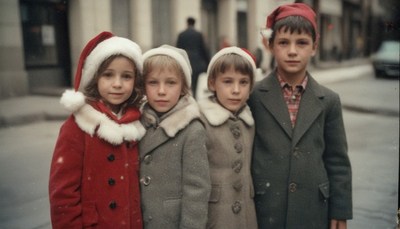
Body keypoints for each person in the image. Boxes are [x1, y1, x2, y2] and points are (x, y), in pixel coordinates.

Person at [248, 3, 352, 229]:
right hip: (265, 207)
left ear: (314, 47)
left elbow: (338, 162)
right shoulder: (253, 96)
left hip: (313, 209)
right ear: (270, 45)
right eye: (283, 42)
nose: (292, 51)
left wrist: (340, 211)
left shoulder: (329, 100)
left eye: (302, 43)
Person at [48, 31, 145, 228]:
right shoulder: (78, 126)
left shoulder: (136, 123)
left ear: (135, 81)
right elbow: (63, 193)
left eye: (126, 76)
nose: (117, 84)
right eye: (108, 75)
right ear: (95, 77)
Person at [139, 45, 211, 228]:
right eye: (153, 82)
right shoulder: (138, 123)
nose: (161, 91)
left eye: (170, 83)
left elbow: (196, 190)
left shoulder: (191, 129)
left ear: (183, 87)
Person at [198, 47, 258, 229]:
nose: (236, 90)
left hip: (247, 215)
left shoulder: (250, 121)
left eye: (243, 83)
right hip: (215, 215)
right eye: (227, 82)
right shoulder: (201, 120)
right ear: (212, 84)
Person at [177, 17, 210, 97]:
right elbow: (203, 49)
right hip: (197, 62)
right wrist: (208, 62)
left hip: (186, 60)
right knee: (195, 82)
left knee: (187, 81)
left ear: (187, 23)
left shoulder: (182, 35)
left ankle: (187, 96)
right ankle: (194, 96)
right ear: (194, 23)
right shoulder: (198, 34)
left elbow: (178, 48)